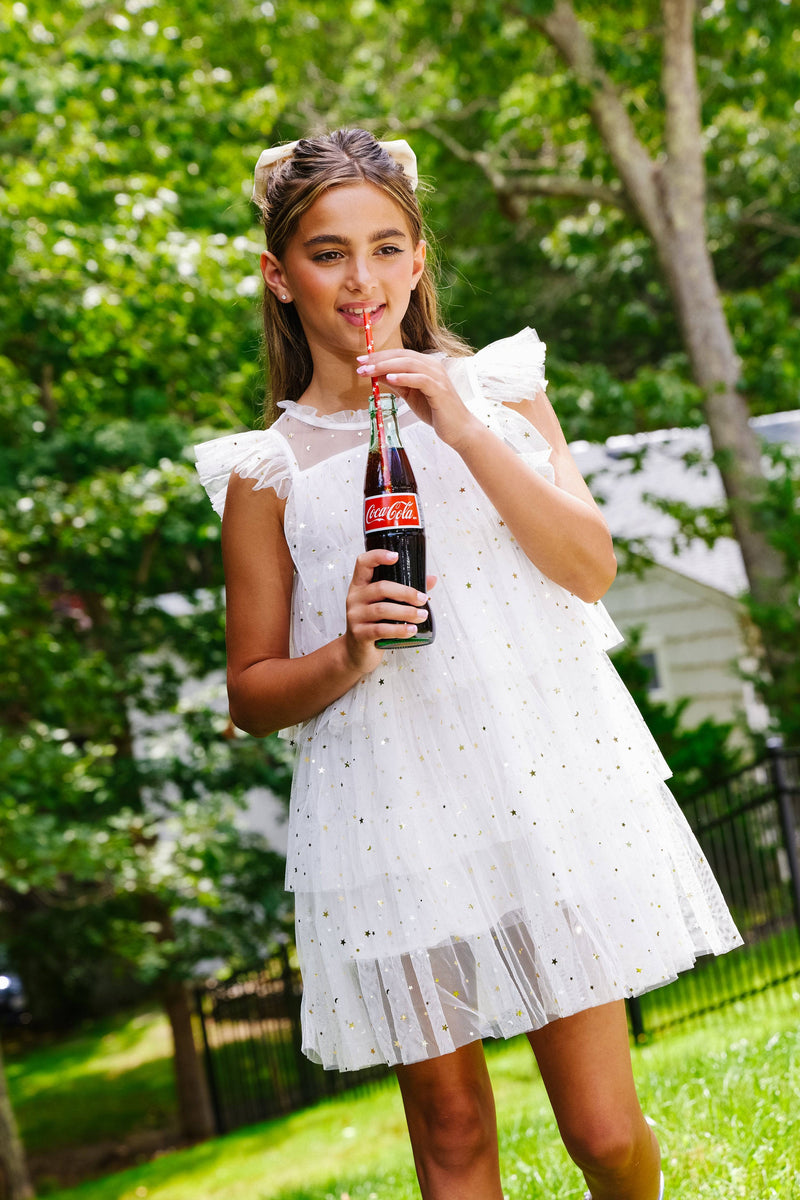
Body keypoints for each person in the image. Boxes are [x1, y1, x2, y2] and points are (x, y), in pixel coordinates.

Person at [195, 128, 741, 1200]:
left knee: (602, 1132)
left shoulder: (497, 389)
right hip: (389, 815)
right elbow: (251, 695)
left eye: (386, 247)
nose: (362, 280)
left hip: (539, 789)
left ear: (417, 258)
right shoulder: (268, 470)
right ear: (278, 274)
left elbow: (588, 568)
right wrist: (348, 648)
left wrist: (462, 424)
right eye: (328, 253)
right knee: (449, 1134)